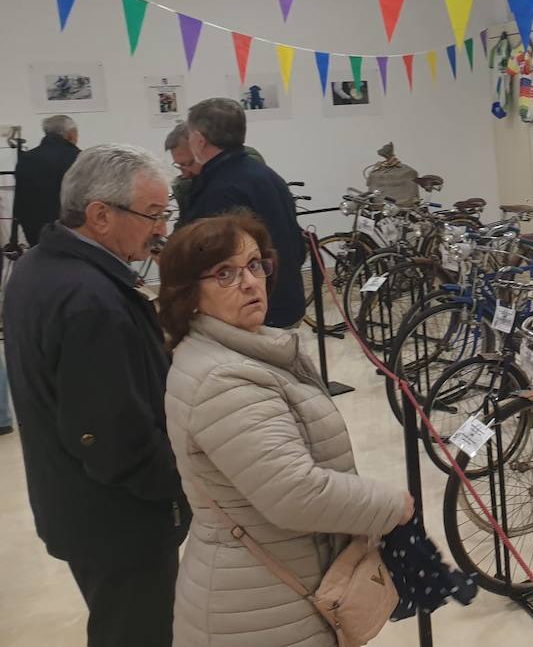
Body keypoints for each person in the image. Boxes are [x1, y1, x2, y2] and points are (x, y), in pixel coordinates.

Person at [159, 212, 411, 646]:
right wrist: (393, 506)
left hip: (273, 589)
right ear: (190, 295)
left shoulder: (233, 352)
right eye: (225, 274)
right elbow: (295, 494)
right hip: (257, 610)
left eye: (255, 264)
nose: (250, 282)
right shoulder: (224, 379)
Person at [3, 144, 188, 647]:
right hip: (119, 521)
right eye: (153, 214)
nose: (163, 229)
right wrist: (177, 488)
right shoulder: (92, 301)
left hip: (77, 504)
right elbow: (112, 438)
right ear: (100, 216)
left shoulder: (39, 265)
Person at [177, 98, 305, 327]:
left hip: (256, 311)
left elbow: (214, 261)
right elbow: (296, 243)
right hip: (286, 299)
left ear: (198, 139)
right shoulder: (267, 174)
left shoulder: (219, 188)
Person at [163, 121, 265, 215]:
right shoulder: (188, 186)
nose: (185, 174)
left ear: (205, 147)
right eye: (180, 166)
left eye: (190, 163)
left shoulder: (241, 175)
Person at [13, 114, 80, 244]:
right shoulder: (78, 158)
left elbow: (20, 199)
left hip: (34, 232)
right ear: (71, 134)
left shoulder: (26, 159)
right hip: (70, 232)